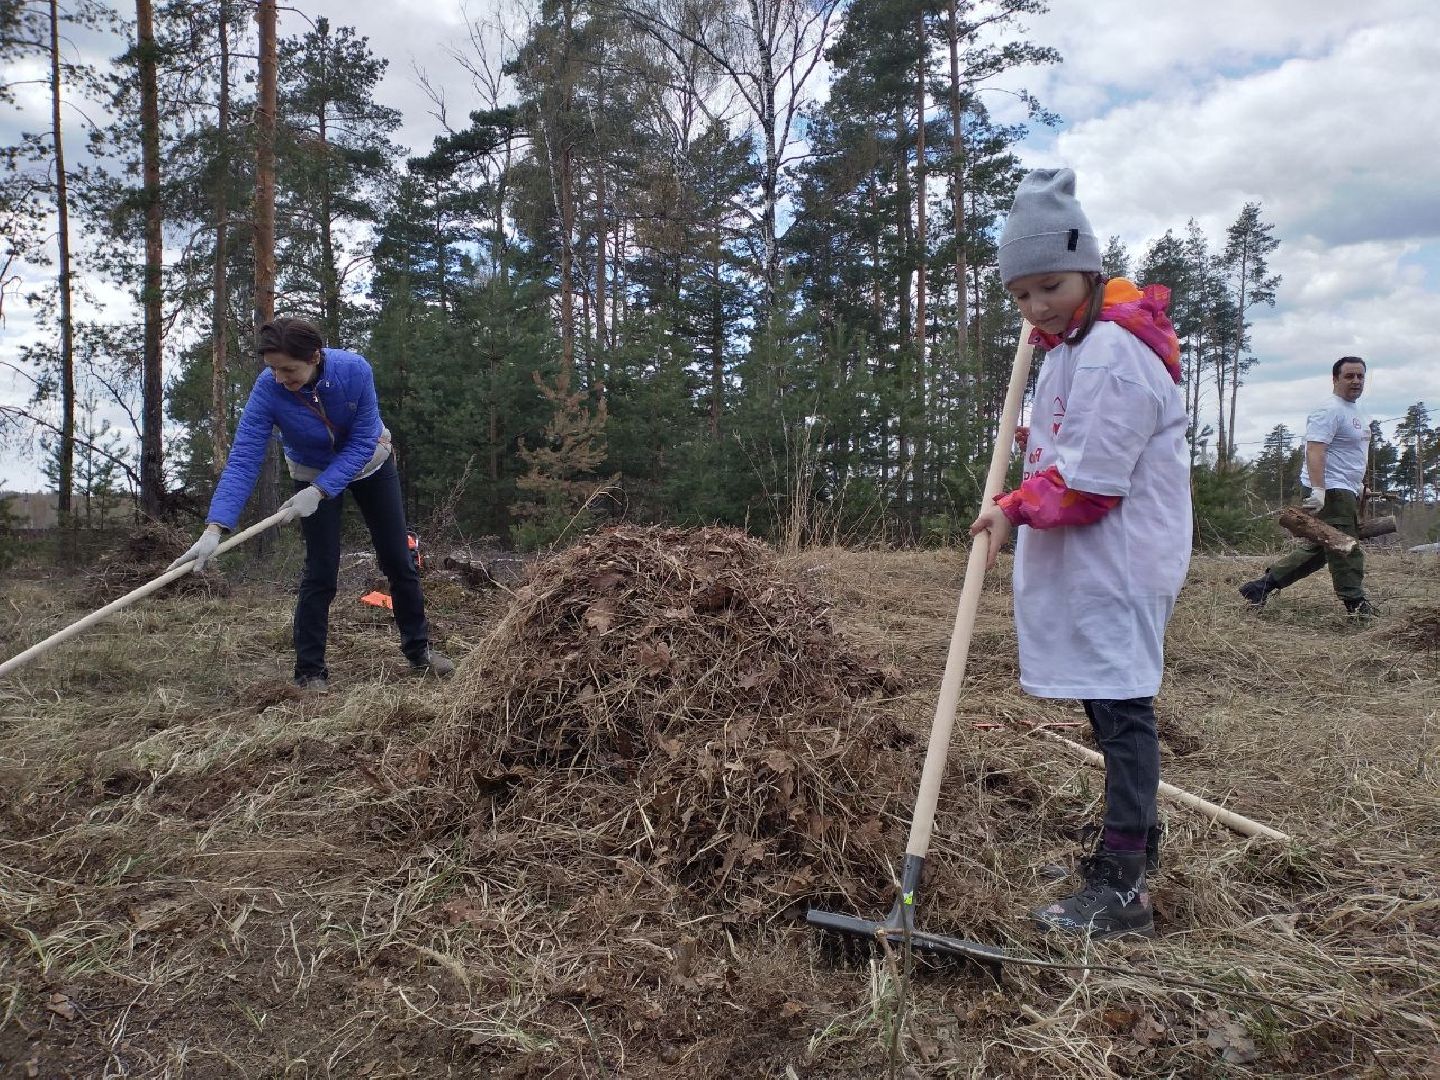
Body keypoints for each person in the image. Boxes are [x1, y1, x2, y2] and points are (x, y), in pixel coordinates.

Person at [969, 169, 1191, 939]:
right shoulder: (1070, 343)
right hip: (1094, 557)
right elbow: (1069, 440)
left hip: (1120, 556)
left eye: (1052, 286)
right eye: (1022, 294)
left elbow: (1094, 483)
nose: (1037, 308)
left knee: (1124, 711)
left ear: (1090, 270)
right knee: (1109, 705)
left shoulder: (1113, 354)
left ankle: (1125, 887)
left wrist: (1011, 509)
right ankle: (1119, 859)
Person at [169, 317, 455, 692]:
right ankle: (309, 673)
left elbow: (362, 440)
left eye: (289, 369)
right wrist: (215, 527)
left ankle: (419, 652)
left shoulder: (355, 371)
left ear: (315, 356)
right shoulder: (268, 390)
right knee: (320, 570)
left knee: (398, 560)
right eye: (273, 369)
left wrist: (320, 491)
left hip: (369, 462)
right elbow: (244, 458)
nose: (280, 378)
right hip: (309, 469)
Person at [1238, 358, 1375, 618]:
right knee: (1345, 548)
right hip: (1332, 491)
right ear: (1335, 379)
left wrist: (1358, 486)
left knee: (1322, 549)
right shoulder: (1329, 410)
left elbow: (1352, 455)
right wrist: (1319, 490)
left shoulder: (1355, 411)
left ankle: (1260, 587)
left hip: (1345, 490)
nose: (1356, 381)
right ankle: (1357, 607)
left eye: (1360, 376)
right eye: (1349, 376)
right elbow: (1315, 450)